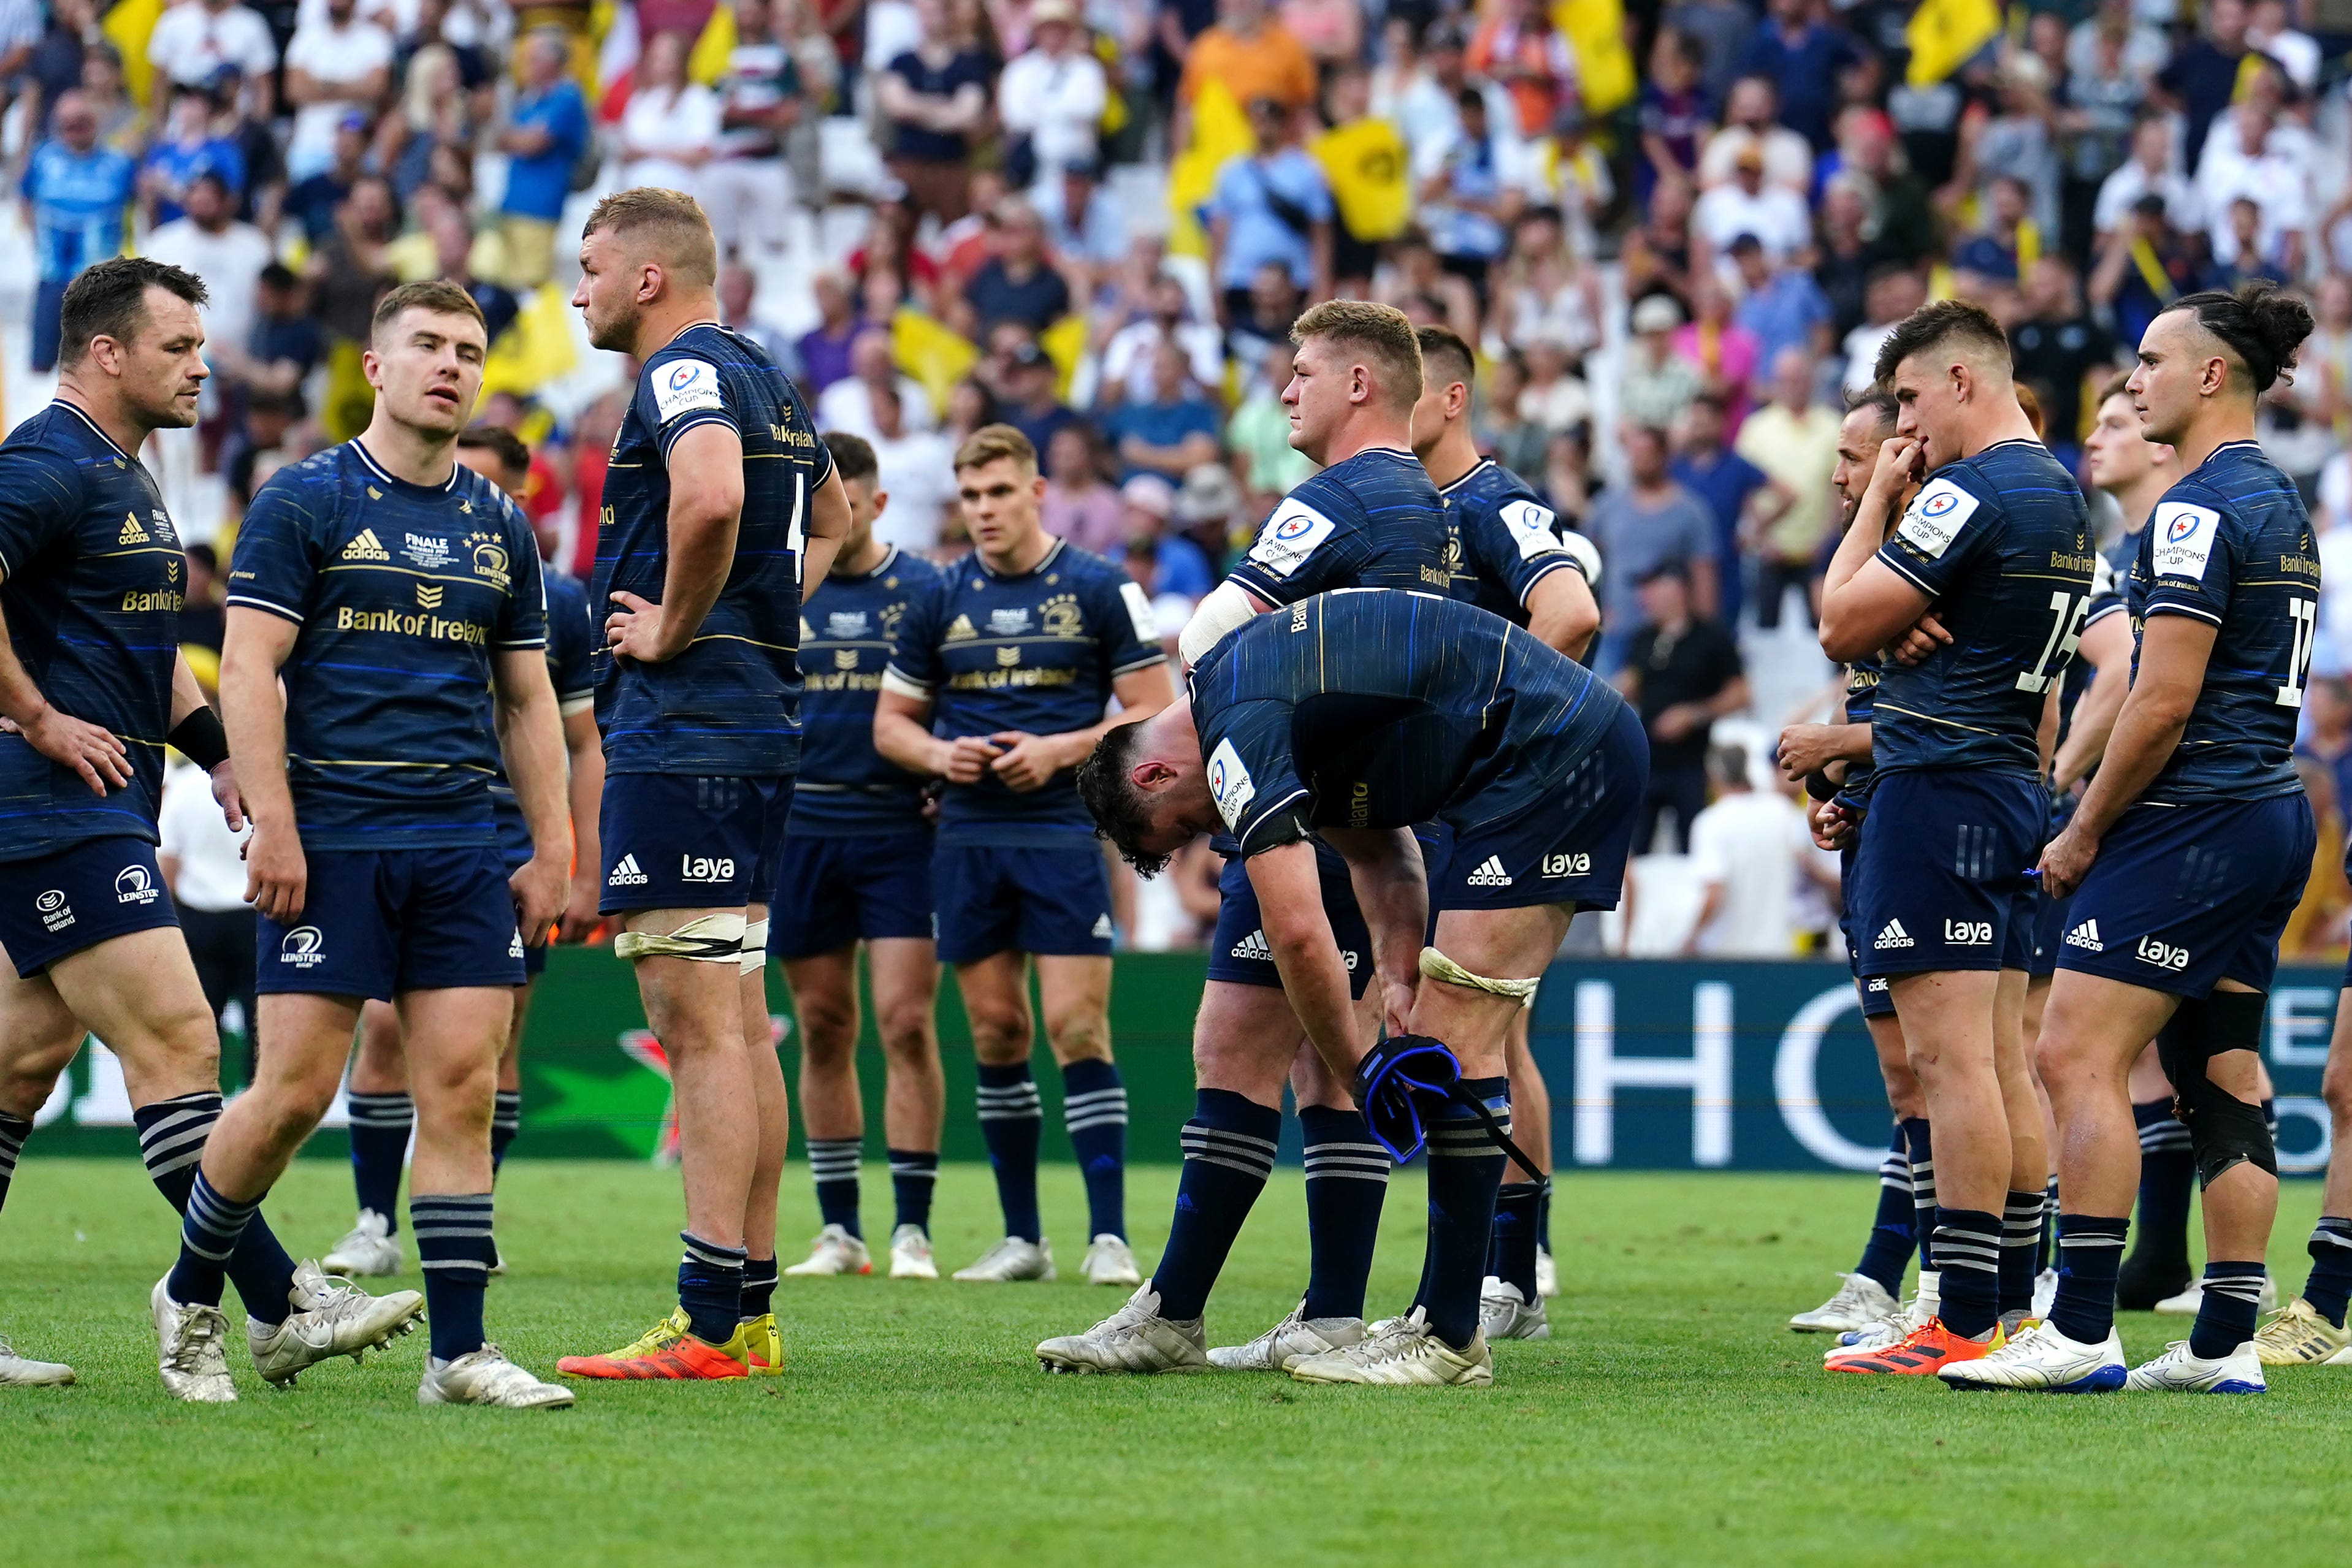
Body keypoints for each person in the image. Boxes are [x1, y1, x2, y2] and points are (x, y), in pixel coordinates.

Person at [1045, 588, 1648, 1384]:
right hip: (1540, 755)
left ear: (1157, 772)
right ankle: (1436, 1322)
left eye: (1189, 823)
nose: (1212, 833)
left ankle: (1449, 1336)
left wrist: (1360, 1071)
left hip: (1547, 761)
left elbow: (1299, 933)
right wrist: (1397, 972)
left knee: (1459, 1038)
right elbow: (1377, 849)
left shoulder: (1235, 726)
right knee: (1439, 1023)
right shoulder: (1268, 701)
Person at [0, 258, 400, 1397]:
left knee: (18, 1067)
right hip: (53, 809)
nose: (202, 364)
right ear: (107, 353)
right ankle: (280, 1302)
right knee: (179, 1045)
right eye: (178, 346)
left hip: (89, 802)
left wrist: (220, 750)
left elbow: (134, 649)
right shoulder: (46, 459)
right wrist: (34, 715)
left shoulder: (127, 476)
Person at [1034, 302, 1451, 1371]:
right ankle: (1330, 1309)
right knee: (1316, 1063)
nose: (1283, 391)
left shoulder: (1343, 493)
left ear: (1359, 383)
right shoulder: (1424, 501)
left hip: (1297, 796)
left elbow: (1211, 630)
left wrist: (1235, 739)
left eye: (1302, 371)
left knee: (1239, 1046)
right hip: (1360, 800)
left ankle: (1175, 1309)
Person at [181, 281, 570, 1409]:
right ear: (378, 364)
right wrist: (278, 820)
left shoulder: (500, 521)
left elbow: (527, 698)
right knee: (294, 1093)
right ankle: (192, 1287)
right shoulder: (305, 497)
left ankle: (458, 1354)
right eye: (429, 346)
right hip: (336, 837)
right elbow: (247, 667)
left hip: (459, 843)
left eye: (469, 350)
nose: (452, 365)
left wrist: (551, 843)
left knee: (458, 1085)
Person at [1960, 284, 2319, 1393]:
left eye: (2151, 362)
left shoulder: (2195, 509)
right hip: (2270, 813)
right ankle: (2221, 1346)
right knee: (2221, 1070)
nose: (2131, 380)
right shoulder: (2284, 502)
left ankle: (2077, 1329)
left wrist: (2083, 829)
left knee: (2073, 1051)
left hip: (2194, 819)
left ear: (2212, 375)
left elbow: (2158, 700)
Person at [558, 189, 851, 1382]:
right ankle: (751, 1310)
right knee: (735, 1020)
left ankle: (710, 1320)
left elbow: (716, 496)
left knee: (702, 1027)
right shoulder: (766, 376)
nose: (576, 291)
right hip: (752, 723)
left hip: (685, 729)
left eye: (588, 268)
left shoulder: (680, 373)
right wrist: (760, 615)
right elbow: (829, 517)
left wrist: (682, 627)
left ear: (645, 278)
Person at [1816, 299, 2093, 1376]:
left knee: (1950, 1063)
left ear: (1963, 381)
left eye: (1909, 400)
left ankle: (1960, 1313)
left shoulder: (1971, 489)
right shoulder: (2061, 493)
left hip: (1938, 784)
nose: (1903, 430)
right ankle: (2010, 1304)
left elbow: (1842, 619)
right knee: (1998, 1061)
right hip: (2009, 783)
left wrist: (1883, 502)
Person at [874, 425, 1171, 1286]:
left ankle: (1110, 1236)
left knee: (1076, 1025)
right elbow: (891, 724)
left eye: (999, 492)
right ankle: (1022, 1239)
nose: (984, 510)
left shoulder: (1098, 587)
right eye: (970, 496)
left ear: (1037, 492)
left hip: (1060, 833)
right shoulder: (937, 597)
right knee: (997, 1031)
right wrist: (940, 756)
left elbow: (1153, 711)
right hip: (966, 835)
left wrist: (1061, 750)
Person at [318, 424, 602, 1280]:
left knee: (495, 1041)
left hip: (508, 838)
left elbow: (583, 740)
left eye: (481, 484)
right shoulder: (378, 572)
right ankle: (373, 1220)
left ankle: (469, 1214)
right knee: (378, 1025)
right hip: (396, 822)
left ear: (520, 497)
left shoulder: (561, 602)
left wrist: (581, 863)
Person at [1413, 324, 1602, 1332]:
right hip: (1436, 809)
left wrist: (1479, 733)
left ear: (1450, 400)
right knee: (1476, 1031)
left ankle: (1510, 1268)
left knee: (1488, 1028)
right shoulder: (1403, 510)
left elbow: (1570, 615)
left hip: (1500, 801)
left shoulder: (1497, 499)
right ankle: (1504, 1264)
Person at [766, 433, 948, 1281]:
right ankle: (840, 1229)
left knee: (906, 1022)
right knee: (823, 1026)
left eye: (843, 502)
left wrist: (949, 772)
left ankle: (912, 1227)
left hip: (899, 834)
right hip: (803, 830)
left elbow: (967, 698)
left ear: (874, 504)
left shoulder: (926, 590)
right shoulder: (777, 591)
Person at [1777, 386, 1930, 1341]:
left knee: (1953, 1075)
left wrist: (1840, 738)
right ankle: (1893, 1278)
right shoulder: (1887, 578)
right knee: (1915, 1080)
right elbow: (1864, 705)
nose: (1835, 475)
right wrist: (1833, 783)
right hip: (1880, 833)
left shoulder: (1942, 572)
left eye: (1851, 457)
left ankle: (1968, 1284)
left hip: (1940, 836)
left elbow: (1997, 729)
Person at [1616, 564, 1745, 854]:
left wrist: (1695, 714)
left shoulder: (1710, 637)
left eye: (1650, 589)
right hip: (1648, 759)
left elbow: (1741, 693)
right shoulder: (1644, 638)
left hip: (1693, 762)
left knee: (1695, 843)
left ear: (1676, 590)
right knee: (1635, 847)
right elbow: (1633, 681)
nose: (1643, 598)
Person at [1584, 422, 1716, 674]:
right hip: (1616, 629)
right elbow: (1586, 561)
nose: (1640, 461)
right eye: (1635, 454)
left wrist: (1702, 635)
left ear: (1664, 456)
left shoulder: (1690, 512)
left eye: (1647, 454)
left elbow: (1704, 575)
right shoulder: (1607, 507)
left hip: (1668, 635)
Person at [21, 91, 136, 374]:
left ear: (95, 123)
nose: (75, 129)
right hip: (52, 278)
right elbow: (25, 199)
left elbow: (141, 206)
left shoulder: (119, 163)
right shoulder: (43, 159)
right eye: (68, 123)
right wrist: (36, 239)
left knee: (98, 366)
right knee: (41, 367)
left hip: (101, 283)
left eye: (82, 121)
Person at [494, 29, 590, 292]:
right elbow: (503, 140)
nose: (527, 65)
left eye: (534, 59)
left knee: (530, 286)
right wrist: (516, 139)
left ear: (553, 62)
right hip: (515, 201)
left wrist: (516, 139)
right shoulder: (531, 97)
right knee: (507, 283)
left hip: (540, 205)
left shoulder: (567, 96)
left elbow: (532, 143)